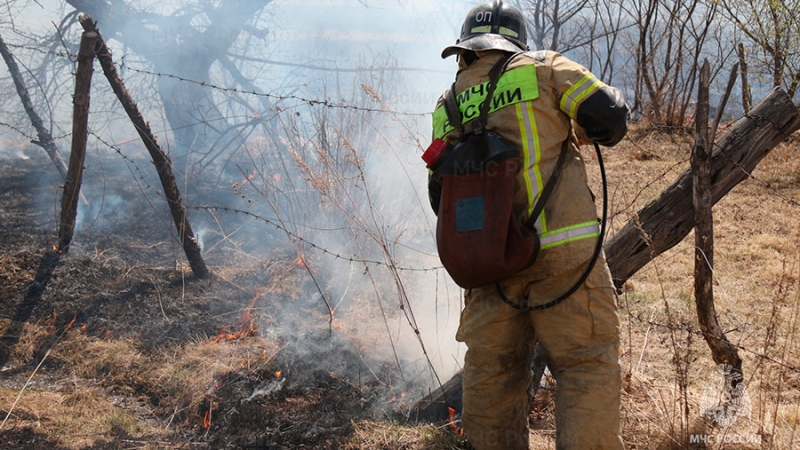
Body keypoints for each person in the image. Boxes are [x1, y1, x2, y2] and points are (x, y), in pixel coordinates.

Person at [430, 1, 629, 449]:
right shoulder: (545, 68)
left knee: (490, 376)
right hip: (564, 257)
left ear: (466, 49)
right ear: (516, 42)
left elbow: (438, 197)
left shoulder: (447, 104)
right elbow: (611, 119)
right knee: (586, 366)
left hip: (489, 265)